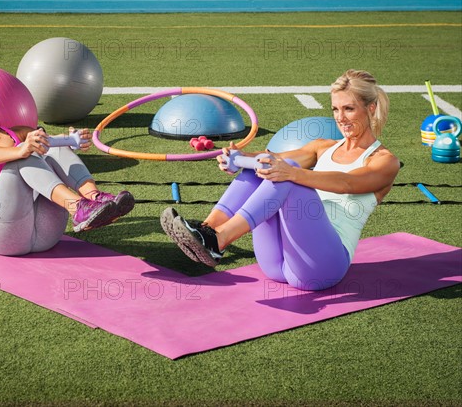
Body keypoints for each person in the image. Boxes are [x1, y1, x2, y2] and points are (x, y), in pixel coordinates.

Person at [161, 69, 400, 291]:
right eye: (335, 110)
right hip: (276, 262)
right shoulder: (322, 147)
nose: (340, 118)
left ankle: (219, 240)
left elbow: (347, 183)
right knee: (264, 166)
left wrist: (291, 173)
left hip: (324, 267)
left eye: (349, 109)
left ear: (371, 108)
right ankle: (207, 230)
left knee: (287, 171)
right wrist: (239, 158)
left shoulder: (384, 161)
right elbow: (273, 158)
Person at [0, 63, 134, 256]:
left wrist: (73, 139)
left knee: (51, 147)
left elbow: (51, 144)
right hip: (0, 234)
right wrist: (21, 150)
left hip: (44, 233)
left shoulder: (19, 132)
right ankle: (77, 207)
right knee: (24, 153)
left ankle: (95, 198)